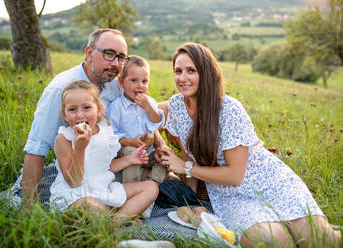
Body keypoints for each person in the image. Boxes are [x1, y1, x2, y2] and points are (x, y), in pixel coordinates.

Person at [158, 42, 341, 247]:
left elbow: (235, 175)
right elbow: (188, 154)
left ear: (206, 73)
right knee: (273, 241)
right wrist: (190, 200)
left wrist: (186, 168)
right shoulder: (176, 105)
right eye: (178, 71)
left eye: (191, 71)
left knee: (320, 240)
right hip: (230, 195)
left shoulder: (229, 109)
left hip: (268, 180)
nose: (182, 78)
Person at [22, 28, 167, 205]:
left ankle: (157, 180)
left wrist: (160, 144)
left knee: (165, 107)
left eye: (121, 57)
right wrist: (27, 207)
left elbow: (139, 116)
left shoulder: (114, 83)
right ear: (89, 53)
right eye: (109, 54)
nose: (115, 63)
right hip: (79, 168)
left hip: (108, 163)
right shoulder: (61, 89)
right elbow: (37, 147)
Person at [50, 80, 158, 219]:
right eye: (72, 109)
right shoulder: (64, 138)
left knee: (151, 187)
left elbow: (105, 167)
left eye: (86, 108)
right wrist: (79, 148)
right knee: (88, 205)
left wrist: (130, 159)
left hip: (103, 189)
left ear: (99, 110)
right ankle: (121, 219)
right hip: (76, 194)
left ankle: (114, 222)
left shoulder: (105, 133)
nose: (80, 115)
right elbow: (74, 181)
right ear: (64, 114)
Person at [107, 55, 167, 184]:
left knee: (164, 156)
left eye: (144, 81)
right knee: (130, 151)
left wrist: (148, 107)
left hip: (148, 153)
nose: (140, 86)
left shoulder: (149, 102)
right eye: (134, 80)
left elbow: (157, 122)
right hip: (126, 152)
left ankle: (152, 184)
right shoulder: (117, 107)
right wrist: (131, 142)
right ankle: (132, 187)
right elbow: (111, 135)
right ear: (121, 82)